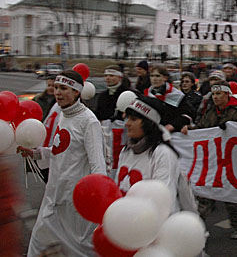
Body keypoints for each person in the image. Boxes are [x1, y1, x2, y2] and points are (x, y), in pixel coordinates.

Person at [18, 70, 106, 257]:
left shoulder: (89, 121)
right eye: (56, 87)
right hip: (53, 195)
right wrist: (35, 153)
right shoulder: (63, 114)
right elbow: (60, 152)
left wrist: (98, 200)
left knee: (78, 248)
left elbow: (98, 164)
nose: (57, 92)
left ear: (76, 92)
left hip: (73, 200)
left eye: (63, 88)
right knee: (38, 243)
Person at [195, 81, 237, 240]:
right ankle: (197, 228)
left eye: (219, 94)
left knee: (231, 197)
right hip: (213, 158)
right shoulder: (210, 110)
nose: (216, 97)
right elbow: (202, 127)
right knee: (205, 194)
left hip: (231, 159)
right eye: (214, 94)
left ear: (227, 94)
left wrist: (231, 128)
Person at [116, 95, 181, 211]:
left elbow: (164, 199)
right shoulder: (126, 151)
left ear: (148, 124)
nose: (127, 123)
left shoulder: (163, 154)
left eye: (133, 119)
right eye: (128, 118)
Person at [95, 65, 132, 175]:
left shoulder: (128, 94)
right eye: (106, 76)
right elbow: (99, 114)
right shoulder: (102, 96)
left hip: (122, 135)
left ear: (119, 77)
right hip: (106, 134)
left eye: (111, 75)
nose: (108, 78)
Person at [146, 65, 194, 132]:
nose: (154, 79)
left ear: (165, 78)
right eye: (152, 76)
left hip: (171, 133)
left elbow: (187, 115)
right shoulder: (147, 95)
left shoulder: (176, 95)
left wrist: (173, 125)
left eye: (157, 76)